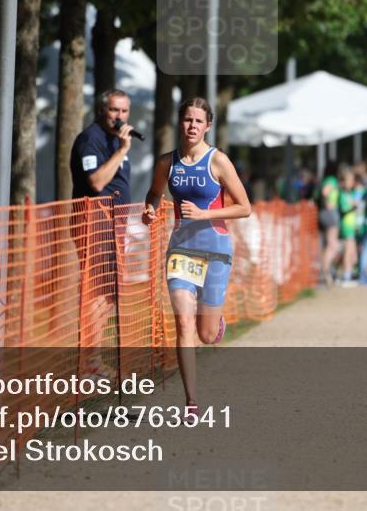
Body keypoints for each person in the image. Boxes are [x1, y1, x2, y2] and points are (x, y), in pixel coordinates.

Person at [142, 97, 251, 416]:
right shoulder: (167, 162)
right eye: (187, 120)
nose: (192, 126)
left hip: (215, 250)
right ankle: (191, 402)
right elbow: (154, 193)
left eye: (198, 121)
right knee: (183, 323)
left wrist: (204, 214)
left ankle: (215, 325)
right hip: (181, 251)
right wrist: (149, 209)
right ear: (180, 122)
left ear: (208, 126)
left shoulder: (218, 161)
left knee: (205, 333)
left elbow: (244, 207)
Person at [69, 89, 135, 378]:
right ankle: (86, 365)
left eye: (123, 111)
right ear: (102, 110)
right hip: (94, 221)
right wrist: (121, 151)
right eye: (114, 110)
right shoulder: (91, 140)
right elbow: (95, 182)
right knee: (97, 292)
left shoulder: (114, 140)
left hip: (114, 225)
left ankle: (92, 361)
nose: (119, 116)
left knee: (109, 294)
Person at [317, 161, 342, 287]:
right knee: (333, 245)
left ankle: (328, 272)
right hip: (330, 213)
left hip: (325, 213)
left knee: (330, 245)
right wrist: (329, 203)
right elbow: (325, 192)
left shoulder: (325, 179)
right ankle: (327, 272)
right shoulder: (331, 180)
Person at [336, 166, 362, 287]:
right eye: (349, 180)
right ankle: (346, 275)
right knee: (348, 251)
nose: (351, 183)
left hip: (351, 226)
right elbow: (343, 209)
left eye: (352, 180)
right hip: (345, 226)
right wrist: (353, 206)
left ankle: (348, 272)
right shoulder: (342, 194)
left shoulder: (350, 193)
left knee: (352, 252)